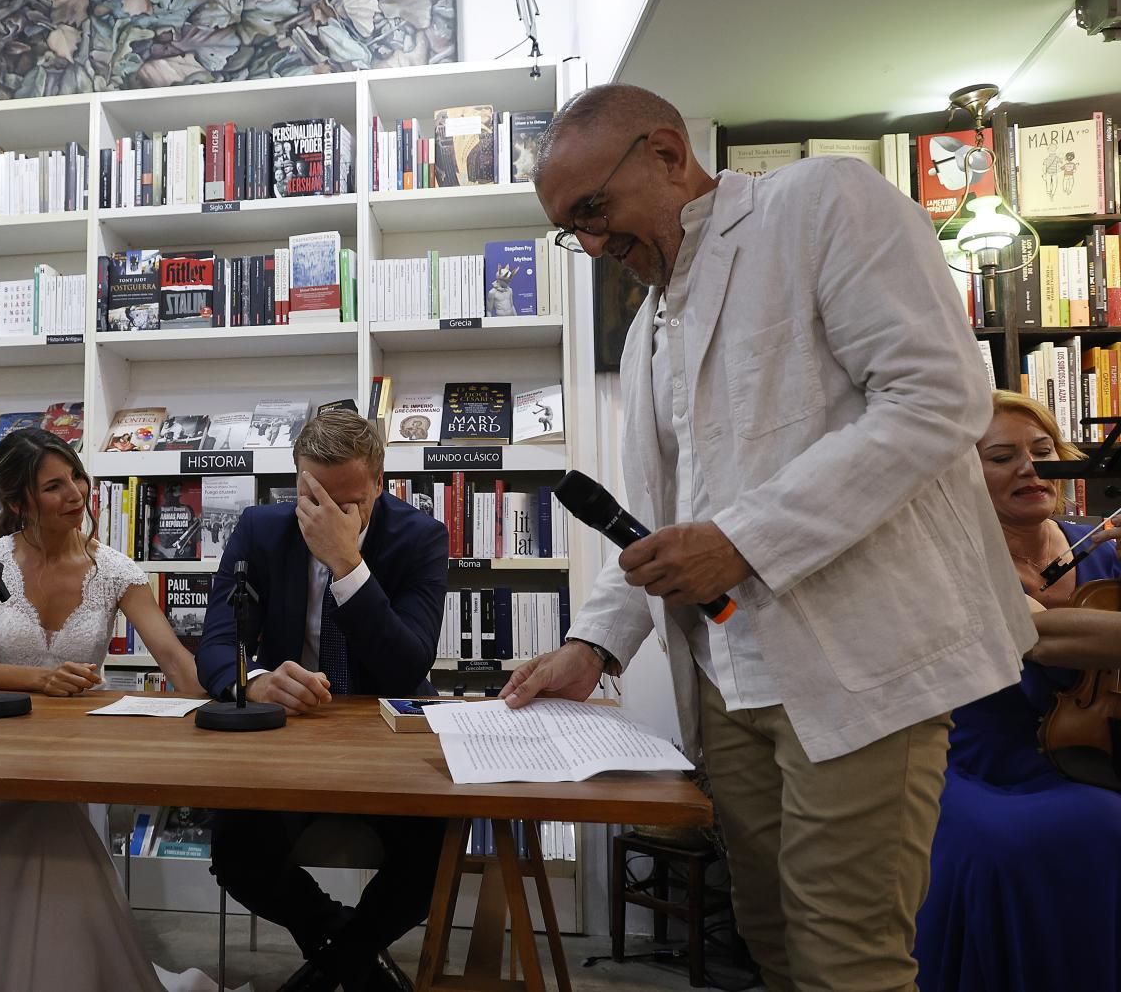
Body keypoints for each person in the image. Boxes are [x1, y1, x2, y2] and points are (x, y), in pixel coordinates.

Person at [503, 84, 1034, 992]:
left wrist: (743, 539)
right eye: (570, 229)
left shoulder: (825, 203)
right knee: (773, 943)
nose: (592, 244)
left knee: (846, 961)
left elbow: (938, 397)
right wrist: (595, 641)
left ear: (667, 154)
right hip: (725, 681)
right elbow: (661, 523)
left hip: (861, 665)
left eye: (594, 210)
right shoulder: (647, 333)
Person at [0, 428, 203, 992]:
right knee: (16, 834)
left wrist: (222, 702)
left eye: (77, 478)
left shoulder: (114, 570)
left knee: (57, 832)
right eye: (54, 486)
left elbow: (173, 658)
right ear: (18, 503)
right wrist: (41, 679)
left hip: (81, 756)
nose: (75, 493)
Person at [197, 409, 447, 992]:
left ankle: (327, 971)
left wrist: (347, 563)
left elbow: (407, 666)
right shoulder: (260, 530)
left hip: (388, 740)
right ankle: (353, 958)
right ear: (296, 479)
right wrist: (254, 679)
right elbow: (214, 644)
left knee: (434, 853)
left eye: (349, 502)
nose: (329, 515)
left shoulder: (419, 538)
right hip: (293, 739)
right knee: (236, 847)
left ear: (381, 481)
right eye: (314, 496)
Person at [915, 391, 1121, 992]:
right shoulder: (948, 561)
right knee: (1087, 827)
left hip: (1097, 750)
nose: (1031, 468)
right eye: (1001, 456)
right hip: (978, 764)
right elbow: (1036, 635)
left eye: (1042, 450)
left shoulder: (1099, 542)